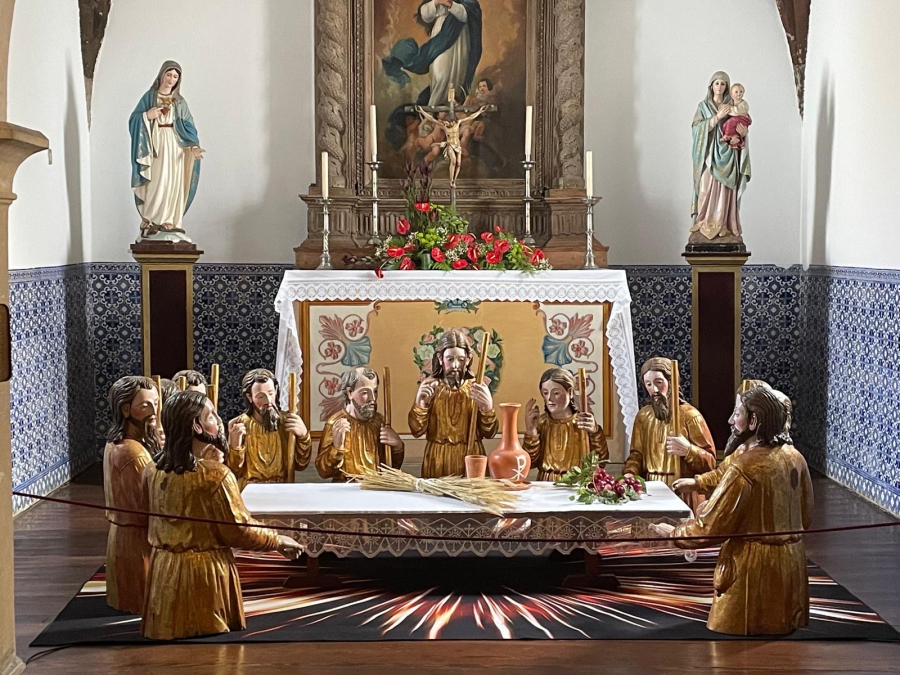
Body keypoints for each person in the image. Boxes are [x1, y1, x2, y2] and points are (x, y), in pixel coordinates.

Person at [141, 391, 302, 639]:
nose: (218, 420)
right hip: (203, 575)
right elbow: (238, 529)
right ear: (196, 426)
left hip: (164, 573)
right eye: (211, 416)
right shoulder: (216, 475)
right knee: (212, 652)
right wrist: (277, 540)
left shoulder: (152, 470)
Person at [657, 385, 813, 635]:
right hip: (791, 565)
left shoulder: (745, 467)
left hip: (752, 569)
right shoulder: (796, 457)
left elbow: (710, 527)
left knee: (740, 644)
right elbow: (806, 516)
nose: (730, 421)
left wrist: (675, 534)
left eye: (737, 414)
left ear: (754, 421)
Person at [623, 357, 716, 511]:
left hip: (682, 491)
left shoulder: (689, 415)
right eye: (648, 384)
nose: (655, 389)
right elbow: (636, 455)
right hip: (650, 491)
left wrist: (688, 450)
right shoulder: (643, 417)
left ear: (672, 382)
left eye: (659, 382)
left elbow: (710, 464)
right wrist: (630, 474)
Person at [103, 375, 160, 614]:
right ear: (126, 409)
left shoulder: (116, 444)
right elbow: (149, 502)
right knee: (139, 595)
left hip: (123, 535)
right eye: (145, 405)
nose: (154, 411)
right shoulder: (133, 454)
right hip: (137, 540)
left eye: (156, 403)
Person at [129, 60, 204, 240]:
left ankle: (170, 221)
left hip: (175, 145)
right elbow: (133, 120)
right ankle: (152, 220)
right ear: (162, 75)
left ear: (179, 80)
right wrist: (147, 116)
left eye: (175, 76)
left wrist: (193, 146)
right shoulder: (150, 97)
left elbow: (189, 126)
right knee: (157, 179)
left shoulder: (179, 102)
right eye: (168, 75)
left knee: (173, 182)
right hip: (155, 144)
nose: (171, 79)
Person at [409, 328, 498, 477]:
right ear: (440, 358)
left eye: (461, 359)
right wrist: (420, 405)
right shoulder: (431, 388)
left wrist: (487, 408)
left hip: (470, 457)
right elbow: (416, 431)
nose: (456, 365)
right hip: (438, 458)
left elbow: (489, 433)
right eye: (450, 359)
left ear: (468, 359)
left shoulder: (476, 388)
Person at [383, 0, 483, 107]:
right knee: (440, 74)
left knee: (456, 75)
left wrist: (451, 5)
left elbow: (467, 15)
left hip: (459, 39)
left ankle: (450, 109)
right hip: (439, 38)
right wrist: (436, 2)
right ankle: (434, 109)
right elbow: (426, 15)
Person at [689, 71, 751, 241]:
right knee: (704, 188)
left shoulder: (733, 106)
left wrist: (743, 133)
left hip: (728, 153)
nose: (720, 87)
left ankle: (724, 224)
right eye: (717, 83)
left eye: (723, 84)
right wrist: (717, 117)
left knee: (725, 191)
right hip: (709, 155)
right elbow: (696, 130)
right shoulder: (703, 106)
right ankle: (702, 222)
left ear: (727, 87)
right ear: (711, 85)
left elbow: (742, 121)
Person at [227, 368, 311, 489]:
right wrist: (235, 447)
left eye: (271, 393)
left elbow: (301, 464)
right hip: (250, 489)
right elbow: (234, 470)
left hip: (281, 488)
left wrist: (303, 436)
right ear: (249, 397)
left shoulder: (286, 422)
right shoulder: (240, 425)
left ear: (276, 391)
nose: (268, 401)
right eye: (261, 397)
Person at [316, 367, 404, 481]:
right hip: (345, 491)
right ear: (350, 393)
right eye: (365, 392)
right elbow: (324, 471)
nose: (372, 398)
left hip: (375, 489)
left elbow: (391, 467)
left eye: (375, 391)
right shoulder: (335, 423)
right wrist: (336, 448)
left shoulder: (379, 422)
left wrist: (397, 446)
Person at [522, 368, 608, 481]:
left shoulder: (582, 423)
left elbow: (600, 461)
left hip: (577, 483)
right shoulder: (542, 423)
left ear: (570, 392)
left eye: (556, 393)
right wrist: (532, 432)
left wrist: (595, 432)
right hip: (546, 483)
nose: (549, 399)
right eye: (545, 393)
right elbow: (530, 463)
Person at [720, 83, 752, 148]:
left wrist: (727, 109)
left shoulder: (744, 104)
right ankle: (731, 137)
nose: (739, 94)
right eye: (736, 92)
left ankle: (732, 137)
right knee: (726, 124)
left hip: (743, 119)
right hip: (736, 119)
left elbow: (737, 111)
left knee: (731, 122)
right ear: (731, 94)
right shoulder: (732, 101)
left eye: (741, 91)